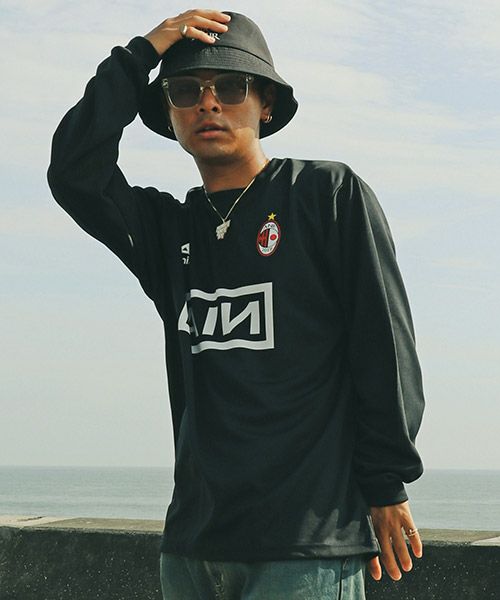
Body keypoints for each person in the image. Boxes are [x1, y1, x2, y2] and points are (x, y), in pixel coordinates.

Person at [48, 9, 425, 599]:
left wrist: (385, 484)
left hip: (303, 548)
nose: (208, 103)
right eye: (185, 91)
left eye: (230, 86)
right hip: (192, 550)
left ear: (265, 102)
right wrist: (141, 53)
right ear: (169, 112)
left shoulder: (326, 196)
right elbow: (75, 170)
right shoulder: (168, 231)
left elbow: (384, 348)